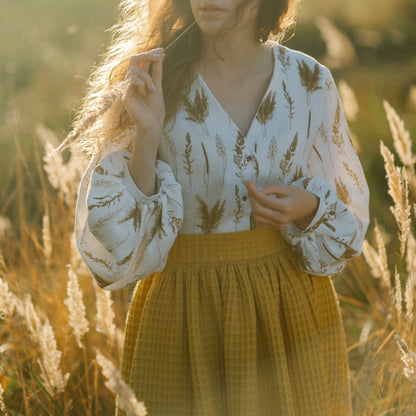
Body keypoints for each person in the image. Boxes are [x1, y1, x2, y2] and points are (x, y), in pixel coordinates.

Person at [73, 0, 369, 415]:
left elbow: (348, 211)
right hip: (184, 310)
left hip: (289, 311)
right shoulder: (156, 78)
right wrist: (147, 131)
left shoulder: (308, 80)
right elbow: (120, 243)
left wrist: (307, 206)